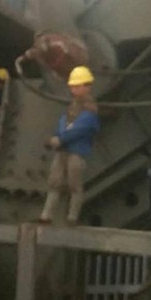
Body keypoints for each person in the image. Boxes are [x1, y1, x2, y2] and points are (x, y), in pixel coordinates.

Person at [38, 66, 100, 225]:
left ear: (86, 86)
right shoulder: (72, 107)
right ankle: (46, 215)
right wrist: (56, 137)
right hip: (63, 151)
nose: (73, 89)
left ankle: (72, 217)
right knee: (55, 182)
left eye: (76, 86)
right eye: (72, 86)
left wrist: (60, 139)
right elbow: (63, 124)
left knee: (75, 185)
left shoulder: (90, 110)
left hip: (76, 152)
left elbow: (80, 129)